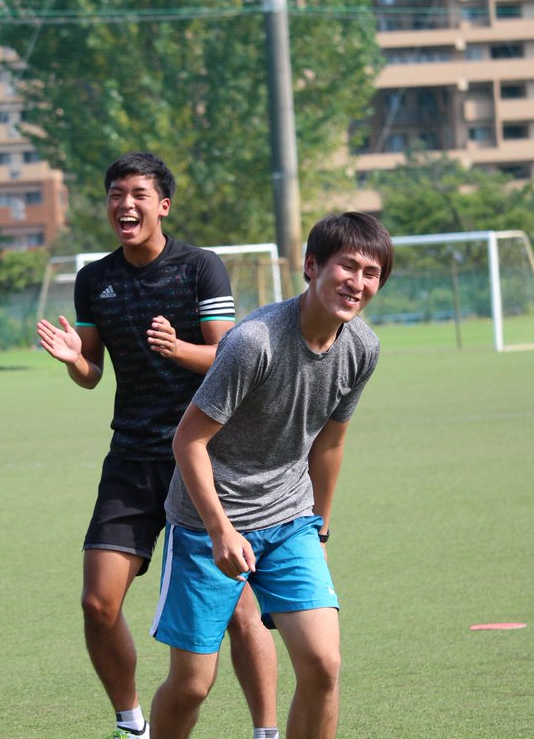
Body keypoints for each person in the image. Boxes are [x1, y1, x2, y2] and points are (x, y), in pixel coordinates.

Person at [36, 151, 278, 739]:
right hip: (134, 458)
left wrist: (179, 350)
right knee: (98, 602)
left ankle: (266, 731)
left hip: (208, 456)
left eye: (139, 194)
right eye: (117, 194)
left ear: (162, 205)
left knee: (241, 610)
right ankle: (131, 723)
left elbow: (229, 354)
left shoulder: (200, 268)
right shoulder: (95, 279)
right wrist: (77, 361)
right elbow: (93, 372)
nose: (126, 204)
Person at [148, 211, 394, 739]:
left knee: (323, 666)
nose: (357, 282)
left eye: (371, 273)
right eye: (346, 266)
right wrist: (220, 530)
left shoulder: (362, 349)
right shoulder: (253, 341)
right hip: (203, 524)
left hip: (289, 521)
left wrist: (321, 529)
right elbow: (188, 440)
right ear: (311, 267)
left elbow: (329, 443)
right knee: (192, 685)